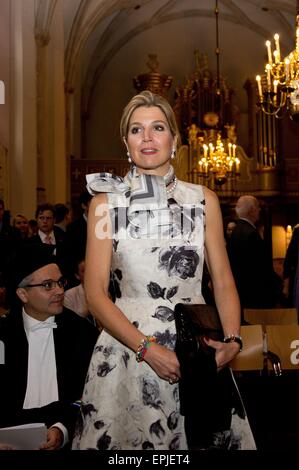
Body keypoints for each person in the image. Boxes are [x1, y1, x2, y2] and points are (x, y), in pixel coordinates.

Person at [72, 90, 255, 450]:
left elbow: (222, 281)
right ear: (126, 142)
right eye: (136, 130)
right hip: (127, 350)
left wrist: (232, 341)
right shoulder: (104, 203)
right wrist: (147, 350)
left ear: (174, 139)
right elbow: (94, 293)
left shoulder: (204, 199)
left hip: (198, 349)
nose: (148, 138)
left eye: (157, 127)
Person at [0, 244, 99, 449]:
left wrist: (62, 429)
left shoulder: (82, 332)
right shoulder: (3, 334)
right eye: (47, 285)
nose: (60, 291)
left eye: (60, 282)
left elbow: (90, 395)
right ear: (23, 294)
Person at [228, 195, 280, 311]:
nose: (259, 210)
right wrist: (278, 287)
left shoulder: (236, 231)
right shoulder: (251, 234)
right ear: (251, 210)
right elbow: (262, 269)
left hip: (241, 293)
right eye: (257, 207)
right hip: (256, 295)